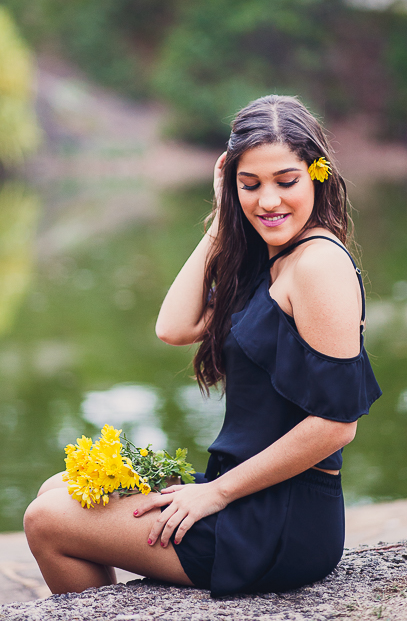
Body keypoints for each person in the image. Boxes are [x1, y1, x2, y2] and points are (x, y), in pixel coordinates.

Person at [24, 94, 381, 598]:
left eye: (286, 181)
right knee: (60, 490)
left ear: (317, 175)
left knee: (47, 519)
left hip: (279, 520)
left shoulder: (319, 265)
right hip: (242, 489)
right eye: (249, 184)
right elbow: (174, 326)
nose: (269, 202)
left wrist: (214, 494)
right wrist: (220, 218)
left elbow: (337, 425)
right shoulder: (271, 258)